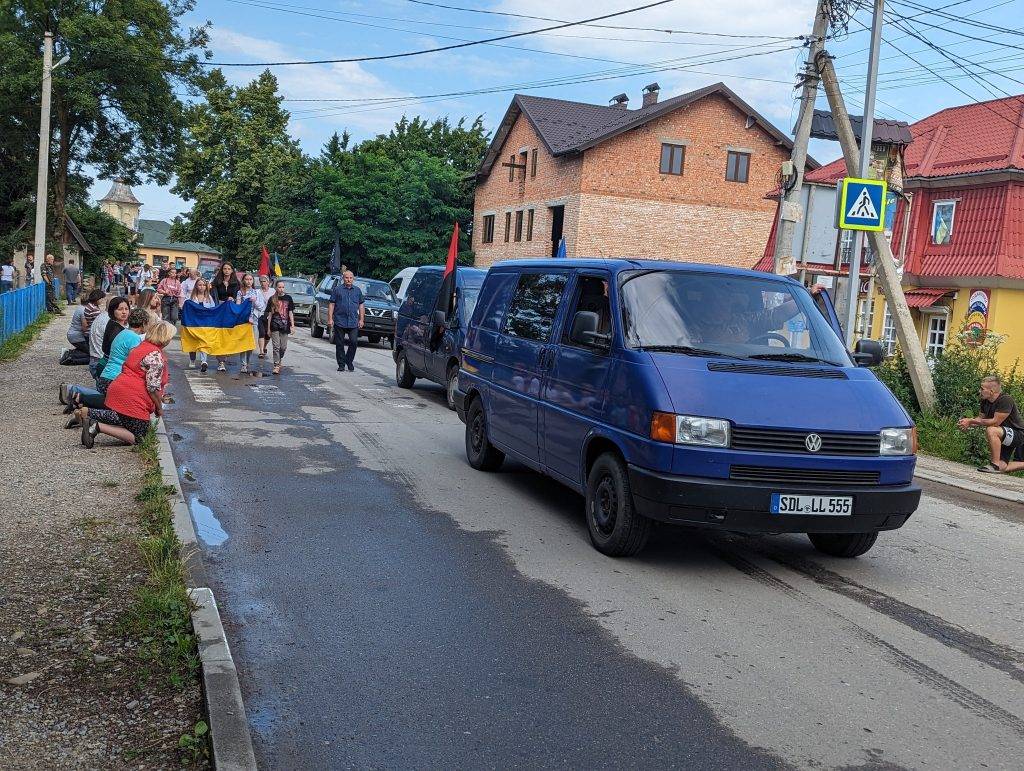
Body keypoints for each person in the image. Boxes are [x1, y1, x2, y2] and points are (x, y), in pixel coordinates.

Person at [79, 320, 175, 449]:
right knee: (141, 435)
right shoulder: (156, 357)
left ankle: (89, 413)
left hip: (118, 387)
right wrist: (159, 407)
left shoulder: (141, 347)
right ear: (165, 338)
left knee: (124, 418)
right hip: (133, 396)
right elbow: (152, 388)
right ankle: (96, 426)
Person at [62, 298, 135, 421]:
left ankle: (78, 398)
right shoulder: (118, 329)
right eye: (120, 309)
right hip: (106, 365)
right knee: (111, 400)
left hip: (103, 363)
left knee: (105, 395)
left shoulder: (115, 325)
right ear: (112, 311)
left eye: (126, 309)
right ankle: (79, 397)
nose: (124, 312)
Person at [958, 374, 1024, 473]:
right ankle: (998, 465)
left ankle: (994, 464)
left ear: (991, 391)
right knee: (1002, 468)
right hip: (1003, 435)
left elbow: (995, 422)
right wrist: (967, 423)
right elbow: (980, 419)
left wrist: (971, 420)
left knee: (991, 429)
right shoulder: (985, 401)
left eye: (982, 389)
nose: (979, 391)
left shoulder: (1005, 400)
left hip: (1018, 434)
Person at [327, 270, 365, 372]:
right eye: (346, 278)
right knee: (340, 343)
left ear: (353, 279)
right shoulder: (337, 290)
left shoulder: (357, 291)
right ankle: (341, 364)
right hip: (340, 320)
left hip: (353, 321)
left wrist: (361, 319)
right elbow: (332, 304)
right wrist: (330, 319)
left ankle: (349, 361)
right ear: (343, 279)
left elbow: (361, 305)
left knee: (353, 342)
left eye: (350, 278)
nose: (348, 280)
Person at [235, 273, 263, 375]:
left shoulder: (256, 292)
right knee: (243, 343)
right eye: (246, 279)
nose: (248, 281)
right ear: (243, 281)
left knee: (251, 343)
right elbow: (238, 306)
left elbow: (261, 307)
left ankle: (248, 362)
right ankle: (243, 364)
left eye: (250, 279)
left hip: (254, 320)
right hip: (243, 321)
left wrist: (255, 301)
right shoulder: (240, 292)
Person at [187, 278, 216, 372]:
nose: (201, 287)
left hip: (205, 324)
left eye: (203, 285)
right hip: (193, 323)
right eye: (199, 285)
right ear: (196, 286)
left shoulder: (209, 297)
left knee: (204, 342)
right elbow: (187, 308)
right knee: (193, 342)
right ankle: (192, 360)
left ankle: (204, 361)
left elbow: (213, 309)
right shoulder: (191, 297)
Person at [267, 280, 295, 376]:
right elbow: (270, 315)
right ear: (276, 288)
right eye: (279, 287)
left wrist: (293, 325)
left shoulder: (288, 298)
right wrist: (268, 328)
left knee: (283, 347)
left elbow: (290, 312)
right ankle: (276, 365)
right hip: (274, 325)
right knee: (276, 346)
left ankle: (279, 359)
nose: (281, 289)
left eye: (283, 287)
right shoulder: (272, 299)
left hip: (285, 325)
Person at [257, 274, 274, 359]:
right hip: (261, 314)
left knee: (267, 335)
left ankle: (264, 346)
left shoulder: (273, 291)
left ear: (268, 282)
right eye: (261, 281)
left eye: (264, 281)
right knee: (261, 332)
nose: (263, 283)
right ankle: (261, 351)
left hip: (271, 315)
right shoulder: (257, 292)